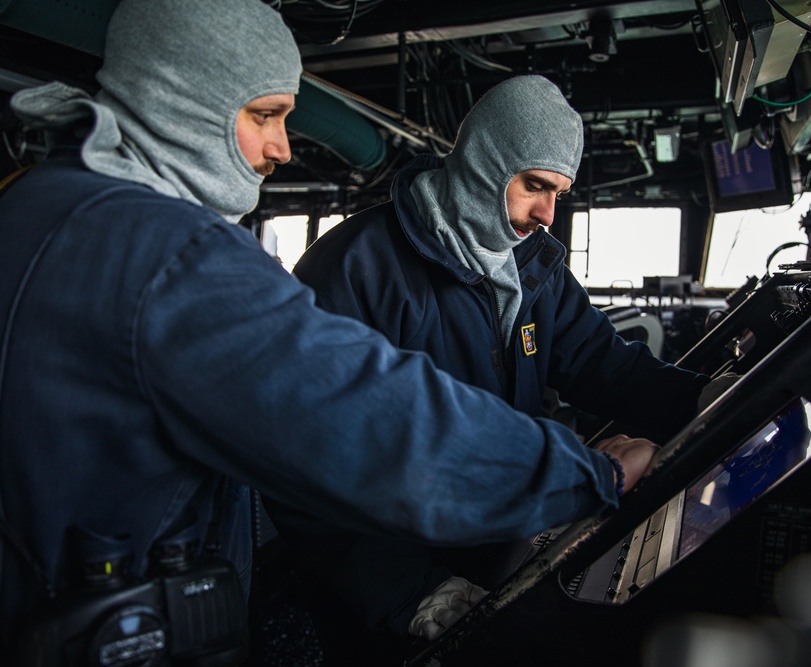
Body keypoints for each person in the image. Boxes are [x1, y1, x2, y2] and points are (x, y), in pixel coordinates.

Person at [0, 2, 661, 662]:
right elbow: (371, 418)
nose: (281, 149)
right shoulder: (169, 255)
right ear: (182, 95)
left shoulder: (19, 206)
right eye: (265, 115)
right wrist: (585, 473)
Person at [282, 75, 715, 661]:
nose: (547, 215)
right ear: (486, 163)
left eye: (559, 193)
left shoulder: (533, 266)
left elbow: (606, 365)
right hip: (389, 586)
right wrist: (411, 594)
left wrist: (714, 400)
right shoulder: (356, 268)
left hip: (492, 546)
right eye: (535, 186)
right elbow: (304, 461)